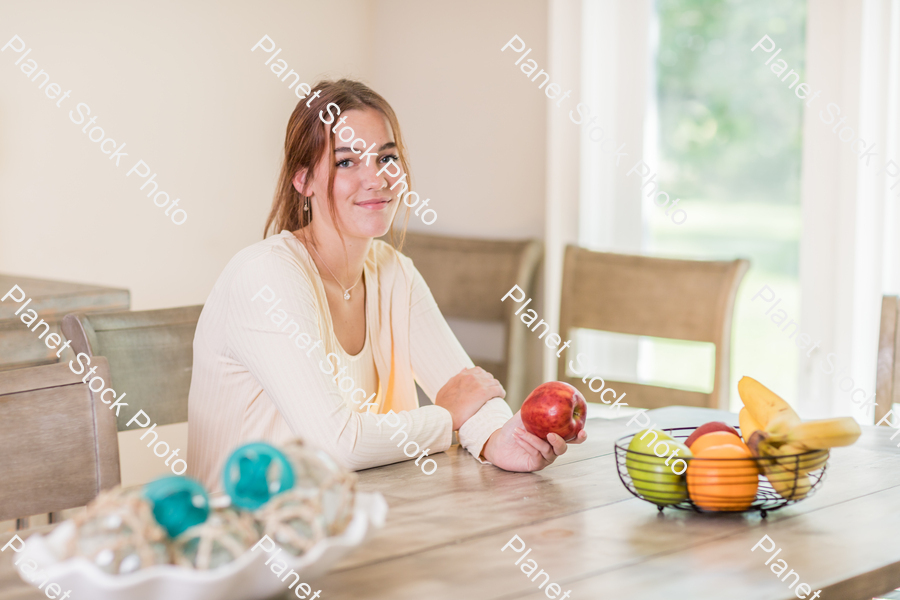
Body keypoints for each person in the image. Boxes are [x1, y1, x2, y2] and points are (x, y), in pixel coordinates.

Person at [187, 79, 586, 491]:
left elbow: (466, 388)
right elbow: (339, 445)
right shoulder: (265, 275)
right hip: (243, 540)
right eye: (346, 162)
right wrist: (447, 416)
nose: (375, 179)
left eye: (386, 158)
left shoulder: (394, 273)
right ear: (303, 180)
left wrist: (503, 438)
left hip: (353, 522)